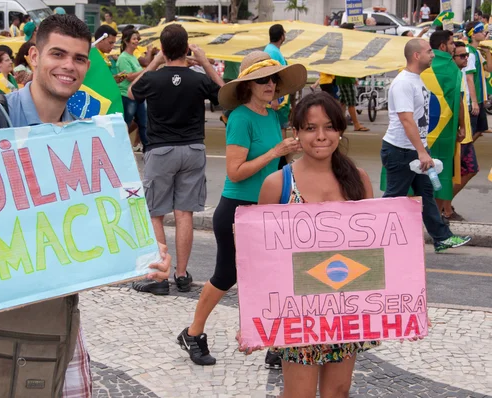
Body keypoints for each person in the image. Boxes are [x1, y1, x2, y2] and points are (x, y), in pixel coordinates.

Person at [0, 15, 172, 397]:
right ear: (34, 56)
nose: (69, 66)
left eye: (79, 58)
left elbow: (95, 227)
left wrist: (146, 253)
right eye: (57, 53)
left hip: (56, 319)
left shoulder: (83, 136)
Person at [175, 50, 305, 366]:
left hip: (267, 208)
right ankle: (193, 333)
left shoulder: (273, 116)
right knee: (225, 275)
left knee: (277, 275)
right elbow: (235, 171)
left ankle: (275, 342)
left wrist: (292, 158)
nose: (270, 84)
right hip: (237, 209)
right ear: (248, 85)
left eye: (273, 79)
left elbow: (275, 165)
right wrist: (277, 150)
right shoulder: (240, 118)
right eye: (262, 80)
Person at [248, 91, 378, 398]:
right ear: (296, 133)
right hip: (297, 313)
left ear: (340, 130)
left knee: (338, 392)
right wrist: (252, 320)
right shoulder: (278, 185)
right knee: (299, 394)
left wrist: (397, 317)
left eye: (329, 126)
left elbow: (376, 250)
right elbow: (258, 262)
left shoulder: (358, 180)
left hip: (346, 311)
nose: (321, 136)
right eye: (310, 128)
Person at [128, 24, 224, 295]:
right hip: (193, 149)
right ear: (186, 48)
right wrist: (205, 62)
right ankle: (181, 274)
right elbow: (225, 93)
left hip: (161, 150)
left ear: (163, 49)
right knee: (185, 213)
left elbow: (133, 91)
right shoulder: (197, 79)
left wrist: (155, 62)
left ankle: (160, 277)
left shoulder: (154, 79)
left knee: (156, 213)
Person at [381, 39, 471, 253]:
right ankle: (374, 238)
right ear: (416, 56)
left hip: (416, 150)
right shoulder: (404, 83)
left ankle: (442, 238)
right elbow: (406, 120)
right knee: (394, 199)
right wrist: (421, 152)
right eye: (429, 51)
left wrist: (423, 149)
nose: (433, 55)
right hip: (401, 151)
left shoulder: (417, 79)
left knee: (426, 196)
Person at [425, 30, 464, 222]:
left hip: (422, 132)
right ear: (442, 46)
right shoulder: (452, 68)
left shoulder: (422, 64)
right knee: (442, 173)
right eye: (451, 43)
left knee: (418, 174)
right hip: (445, 132)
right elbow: (458, 101)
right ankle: (436, 220)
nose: (454, 47)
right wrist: (461, 127)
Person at [449, 41, 479, 221]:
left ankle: (443, 206)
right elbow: (457, 103)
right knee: (466, 169)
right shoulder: (453, 75)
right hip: (458, 133)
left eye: (466, 55)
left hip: (463, 131)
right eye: (461, 56)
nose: (466, 58)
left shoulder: (459, 73)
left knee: (466, 170)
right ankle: (442, 207)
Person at [117, 28, 148, 151]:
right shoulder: (123, 58)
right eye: (134, 39)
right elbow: (129, 77)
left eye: (137, 39)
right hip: (127, 95)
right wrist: (145, 71)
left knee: (143, 123)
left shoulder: (133, 57)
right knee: (126, 122)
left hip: (138, 95)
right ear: (126, 41)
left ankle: (147, 148)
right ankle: (120, 148)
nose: (137, 41)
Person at [337, 23, 370, 132]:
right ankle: (356, 124)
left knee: (343, 102)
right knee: (351, 102)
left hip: (342, 77)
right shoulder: (346, 45)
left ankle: (339, 123)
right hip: (346, 77)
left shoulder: (342, 44)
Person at [464, 22, 492, 142]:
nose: (484, 33)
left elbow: (489, 69)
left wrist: (488, 52)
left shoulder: (478, 52)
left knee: (481, 129)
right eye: (481, 31)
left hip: (479, 98)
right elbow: (469, 78)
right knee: (471, 131)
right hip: (472, 99)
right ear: (473, 35)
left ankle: (465, 155)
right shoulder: (469, 53)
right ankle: (463, 156)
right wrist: (474, 102)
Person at [264, 24, 292, 138]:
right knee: (281, 127)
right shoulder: (273, 52)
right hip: (278, 98)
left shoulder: (271, 50)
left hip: (279, 96)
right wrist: (274, 99)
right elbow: (272, 75)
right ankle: (281, 154)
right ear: (282, 36)